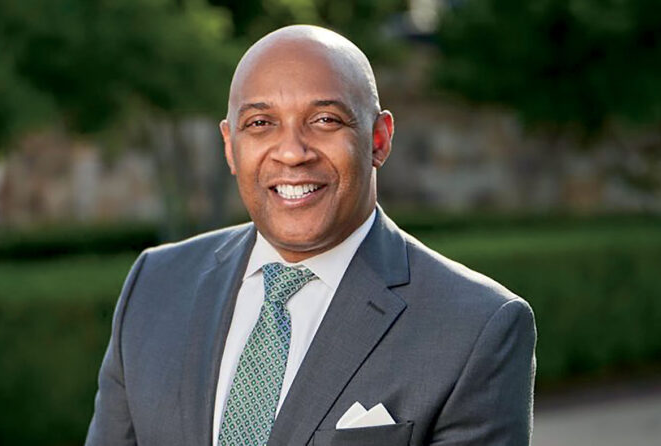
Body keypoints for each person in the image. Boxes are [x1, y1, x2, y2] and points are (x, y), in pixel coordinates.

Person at [85, 25, 536, 446]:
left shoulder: (475, 327)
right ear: (230, 147)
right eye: (260, 123)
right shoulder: (155, 284)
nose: (292, 152)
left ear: (378, 139)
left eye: (324, 120)